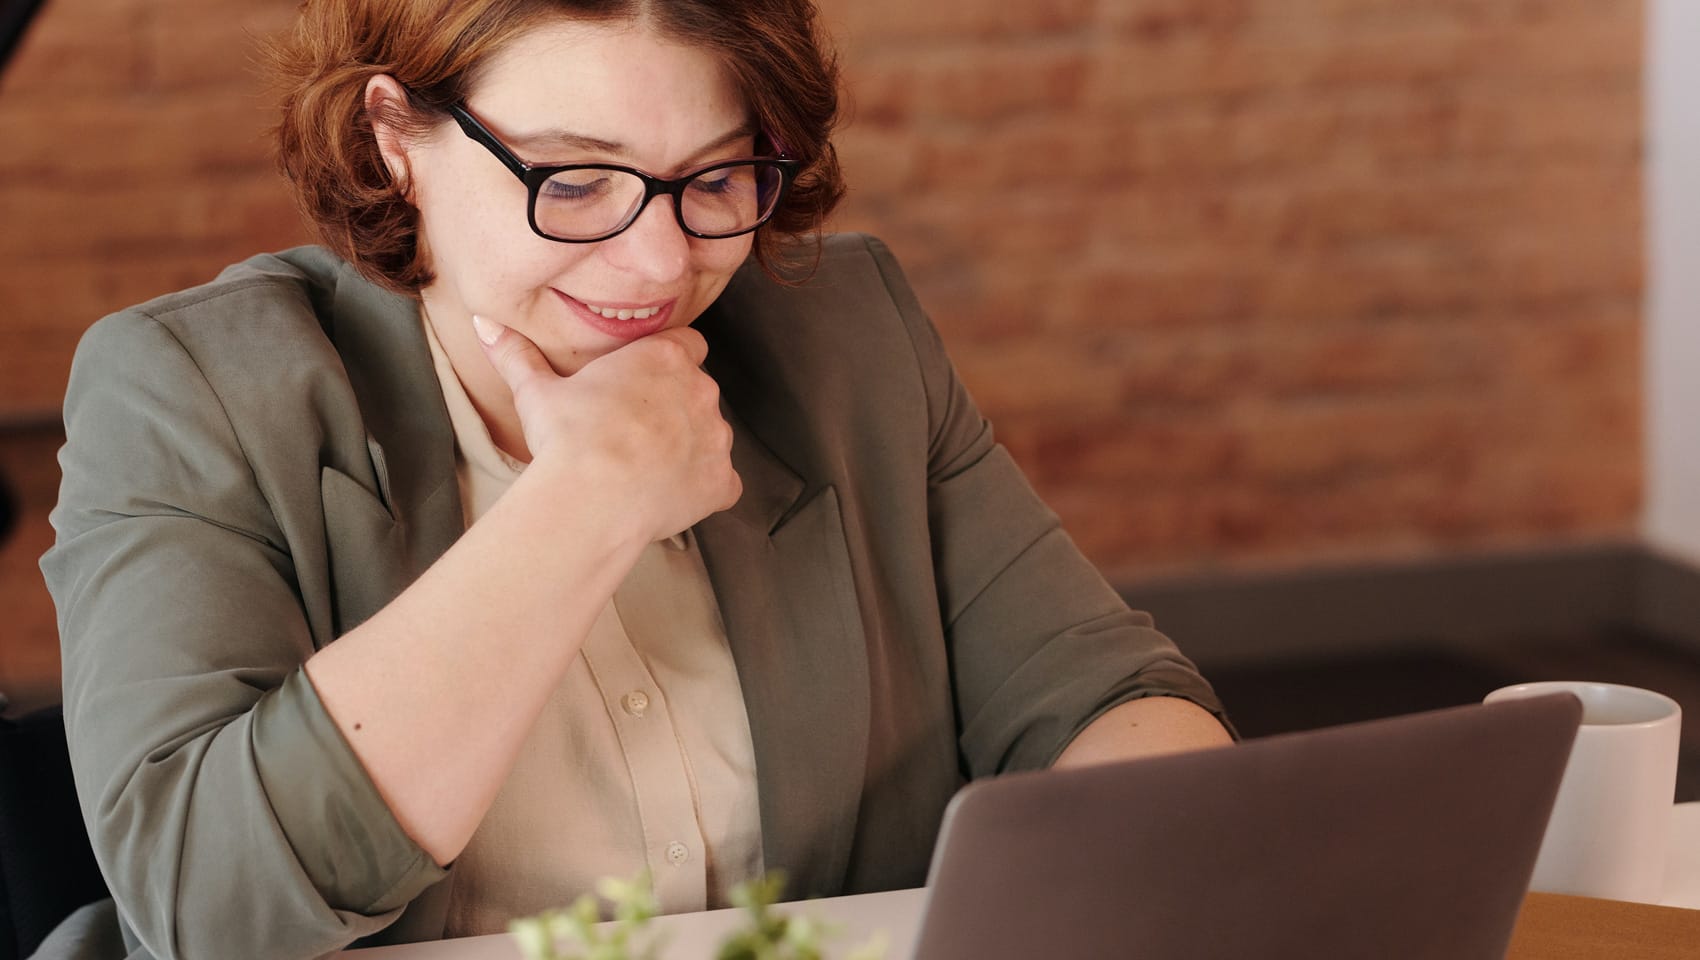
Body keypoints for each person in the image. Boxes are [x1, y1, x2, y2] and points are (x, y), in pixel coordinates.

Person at [40, 1, 1234, 958]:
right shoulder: (189, 388)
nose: (661, 259)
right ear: (391, 137)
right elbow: (208, 910)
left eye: (715, 177)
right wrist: (582, 507)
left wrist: (1173, 867)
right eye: (572, 181)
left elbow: (1100, 697)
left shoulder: (844, 333)